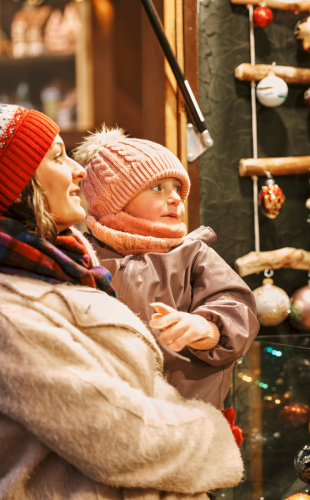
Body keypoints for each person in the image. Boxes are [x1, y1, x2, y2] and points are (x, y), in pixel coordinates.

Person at [0, 101, 243, 499]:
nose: (79, 170)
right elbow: (118, 437)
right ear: (20, 182)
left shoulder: (59, 268)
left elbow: (136, 388)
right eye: (58, 157)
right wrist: (212, 433)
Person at [73, 127, 259, 410]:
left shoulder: (193, 253)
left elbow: (236, 305)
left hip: (188, 416)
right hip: (103, 412)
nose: (174, 198)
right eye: (157, 188)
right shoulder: (83, 255)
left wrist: (208, 327)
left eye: (177, 190)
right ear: (115, 200)